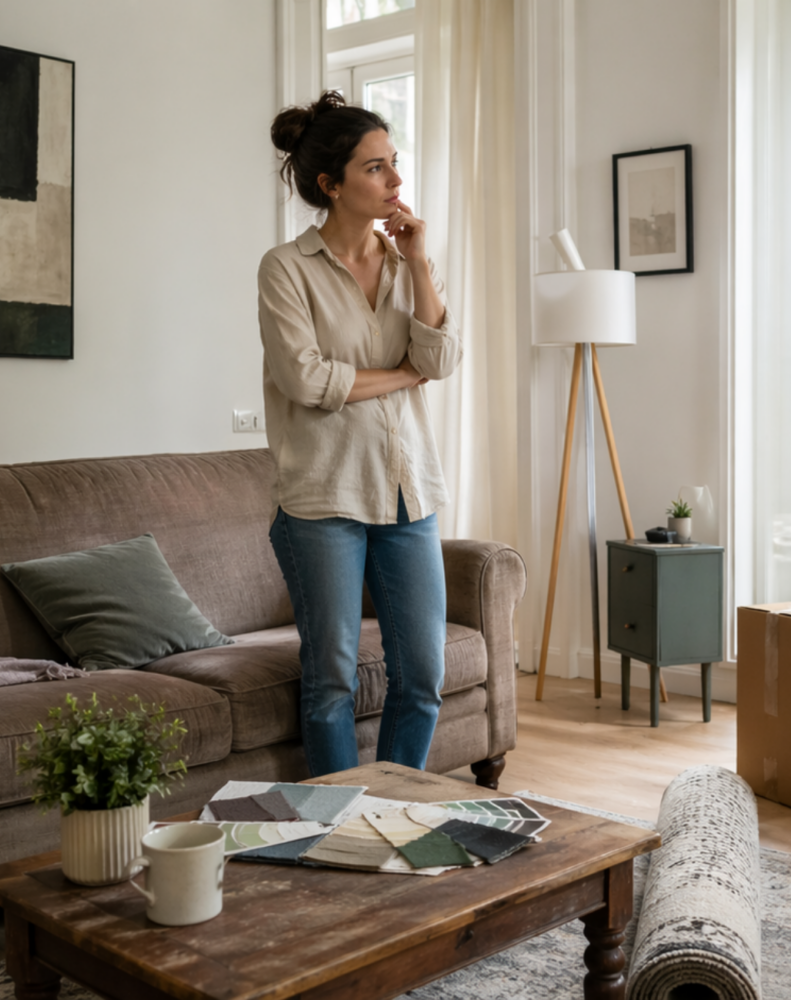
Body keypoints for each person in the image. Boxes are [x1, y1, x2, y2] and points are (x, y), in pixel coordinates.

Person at [259, 91, 459, 778]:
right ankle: (337, 829)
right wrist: (404, 376)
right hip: (322, 500)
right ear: (330, 184)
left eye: (394, 164)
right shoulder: (286, 268)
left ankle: (394, 814)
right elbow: (309, 383)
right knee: (331, 684)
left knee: (422, 677)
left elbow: (442, 360)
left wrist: (422, 261)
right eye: (376, 169)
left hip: (410, 494)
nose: (396, 182)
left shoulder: (407, 266)